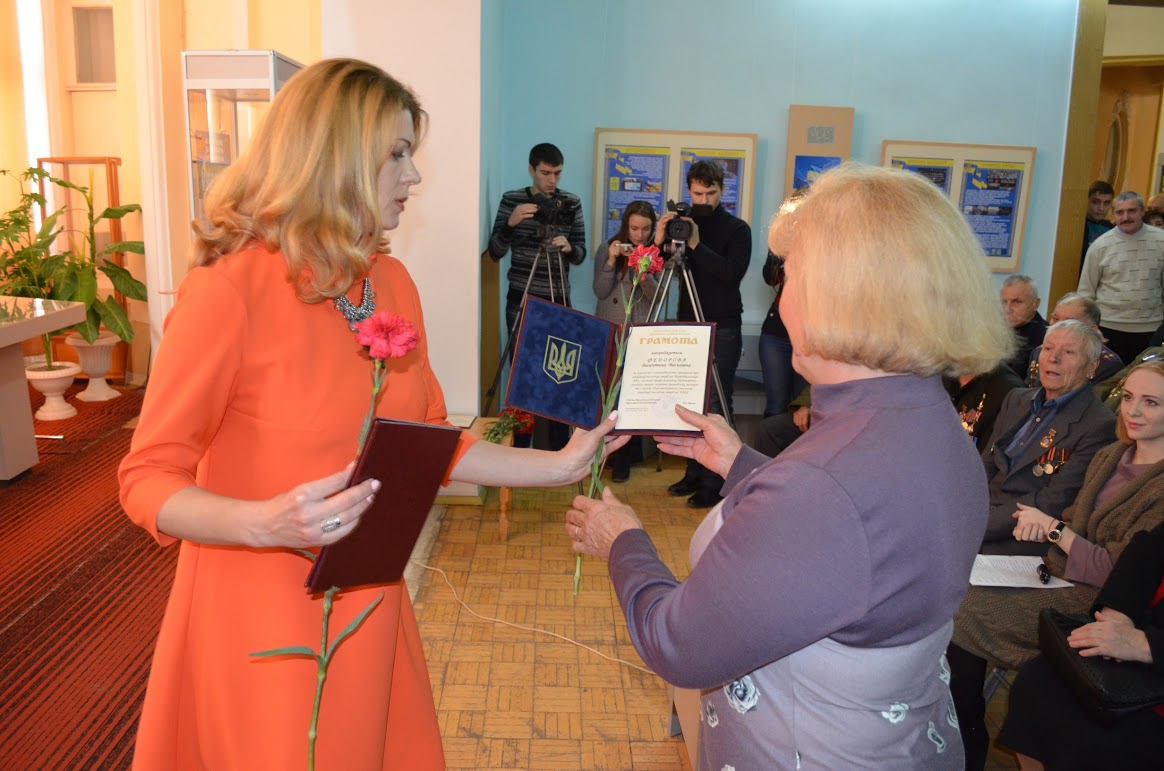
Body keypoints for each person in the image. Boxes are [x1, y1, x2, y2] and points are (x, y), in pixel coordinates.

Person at [118, 59, 624, 770]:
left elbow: (432, 443)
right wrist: (264, 523)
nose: (413, 177)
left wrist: (561, 465)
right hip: (259, 617)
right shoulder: (229, 291)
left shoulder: (390, 283)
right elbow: (146, 477)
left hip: (367, 601)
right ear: (334, 156)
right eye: (397, 155)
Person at [563, 163, 1014, 769]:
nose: (781, 296)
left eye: (790, 275)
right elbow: (855, 542)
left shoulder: (823, 485)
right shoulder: (928, 419)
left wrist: (622, 540)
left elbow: (678, 643)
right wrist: (740, 463)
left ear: (840, 297)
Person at [949, 360, 1164, 771]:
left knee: (962, 613)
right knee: (954, 590)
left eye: (1151, 402)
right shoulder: (1111, 455)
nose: (1133, 411)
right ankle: (960, 726)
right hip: (1055, 570)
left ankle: (966, 733)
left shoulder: (1158, 486)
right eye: (1129, 398)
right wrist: (1053, 531)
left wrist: (1054, 530)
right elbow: (1071, 518)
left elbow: (1122, 573)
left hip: (1100, 603)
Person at [996, 520, 1164, 770]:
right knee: (1037, 679)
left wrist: (1144, 645)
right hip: (1140, 636)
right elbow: (1148, 549)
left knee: (1109, 740)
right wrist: (1116, 616)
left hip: (1154, 670)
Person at [657, 160, 752, 508]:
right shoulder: (682, 225)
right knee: (690, 402)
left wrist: (697, 244)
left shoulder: (738, 229)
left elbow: (731, 274)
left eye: (711, 193)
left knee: (715, 403)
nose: (704, 199)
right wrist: (660, 238)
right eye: (698, 193)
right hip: (688, 324)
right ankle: (693, 473)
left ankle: (717, 481)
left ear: (722, 190)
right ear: (689, 190)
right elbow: (658, 267)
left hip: (723, 326)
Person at [980, 320, 1117, 556]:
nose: (1053, 358)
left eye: (1069, 352)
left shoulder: (1099, 424)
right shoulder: (1016, 399)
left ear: (1092, 367)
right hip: (979, 513)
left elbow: (1054, 500)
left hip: (1023, 535)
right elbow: (985, 466)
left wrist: (976, 525)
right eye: (1048, 348)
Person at [487, 142, 588, 450]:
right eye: (545, 173)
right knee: (523, 374)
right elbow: (495, 251)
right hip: (522, 298)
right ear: (531, 170)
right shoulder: (512, 200)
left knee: (560, 374)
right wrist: (512, 222)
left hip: (558, 300)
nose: (551, 180)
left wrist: (569, 248)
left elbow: (581, 254)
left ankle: (558, 450)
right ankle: (521, 448)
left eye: (557, 173)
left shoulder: (571, 203)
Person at [593, 201, 658, 482]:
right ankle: (604, 452)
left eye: (645, 229)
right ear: (625, 226)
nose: (639, 235)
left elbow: (657, 296)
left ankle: (624, 458)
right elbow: (599, 290)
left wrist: (641, 267)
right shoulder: (608, 247)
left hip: (638, 331)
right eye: (634, 228)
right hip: (610, 330)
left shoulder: (655, 253)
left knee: (630, 397)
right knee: (608, 393)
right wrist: (611, 260)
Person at [1077, 191, 1164, 365]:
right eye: (1120, 212)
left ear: (1142, 212)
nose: (1126, 217)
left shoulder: (1161, 241)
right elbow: (1086, 293)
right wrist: (1089, 327)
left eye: (1131, 211)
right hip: (1108, 329)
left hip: (1150, 329)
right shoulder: (1100, 246)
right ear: (1113, 214)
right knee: (1108, 377)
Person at [1025, 292, 1123, 387]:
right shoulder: (1039, 351)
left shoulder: (1108, 365)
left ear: (1092, 329)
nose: (1058, 326)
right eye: (1055, 319)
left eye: (1069, 322)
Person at [758, 249, 806, 418]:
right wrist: (779, 250)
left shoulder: (830, 243)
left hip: (812, 337)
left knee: (804, 409)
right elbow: (771, 279)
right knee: (775, 408)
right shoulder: (786, 242)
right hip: (776, 332)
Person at [1000, 274, 1048, 378]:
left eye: (1016, 302)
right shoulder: (994, 331)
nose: (1007, 309)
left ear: (1035, 304)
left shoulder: (1046, 338)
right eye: (1004, 302)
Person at [1080, 180, 1115, 277]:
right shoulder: (1078, 227)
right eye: (1095, 202)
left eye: (1106, 203)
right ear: (1087, 201)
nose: (1101, 208)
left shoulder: (1110, 228)